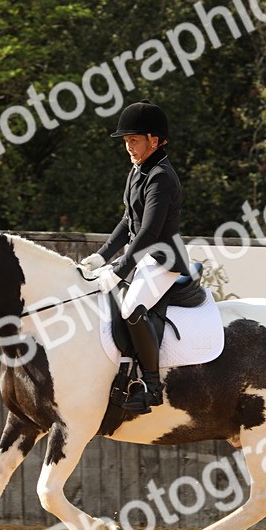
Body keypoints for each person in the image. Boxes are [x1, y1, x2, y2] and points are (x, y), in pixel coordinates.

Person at [80, 100, 187, 414]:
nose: (128, 146)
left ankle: (152, 388)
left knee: (130, 308)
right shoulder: (138, 171)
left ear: (154, 140)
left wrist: (121, 267)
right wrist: (100, 258)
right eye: (126, 141)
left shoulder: (162, 177)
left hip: (164, 260)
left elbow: (149, 232)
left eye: (134, 140)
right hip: (143, 257)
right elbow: (128, 222)